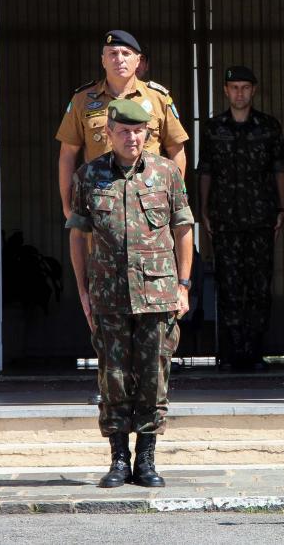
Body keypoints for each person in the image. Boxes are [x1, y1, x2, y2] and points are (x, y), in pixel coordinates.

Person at [66, 99, 194, 488]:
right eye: (124, 131)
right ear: (109, 132)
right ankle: (119, 459)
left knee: (154, 375)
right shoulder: (89, 176)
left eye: (139, 131)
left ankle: (148, 460)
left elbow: (183, 229)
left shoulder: (167, 173)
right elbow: (78, 234)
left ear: (148, 133)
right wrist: (83, 291)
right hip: (108, 294)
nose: (132, 137)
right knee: (114, 378)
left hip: (157, 293)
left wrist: (184, 286)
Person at [197, 66, 284, 371]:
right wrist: (205, 212)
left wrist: (282, 209)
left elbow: (279, 168)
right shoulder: (212, 129)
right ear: (225, 90)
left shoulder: (268, 126)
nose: (239, 93)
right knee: (229, 287)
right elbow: (206, 171)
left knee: (260, 288)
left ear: (254, 90)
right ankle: (233, 354)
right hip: (225, 219)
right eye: (234, 87)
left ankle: (255, 353)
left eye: (245, 87)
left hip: (261, 218)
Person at [56, 30, 189, 220]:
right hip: (99, 205)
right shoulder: (82, 100)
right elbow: (67, 154)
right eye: (113, 53)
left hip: (149, 206)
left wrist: (174, 200)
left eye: (126, 54)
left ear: (138, 60)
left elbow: (176, 151)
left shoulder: (158, 98)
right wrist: (67, 204)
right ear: (103, 60)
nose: (119, 59)